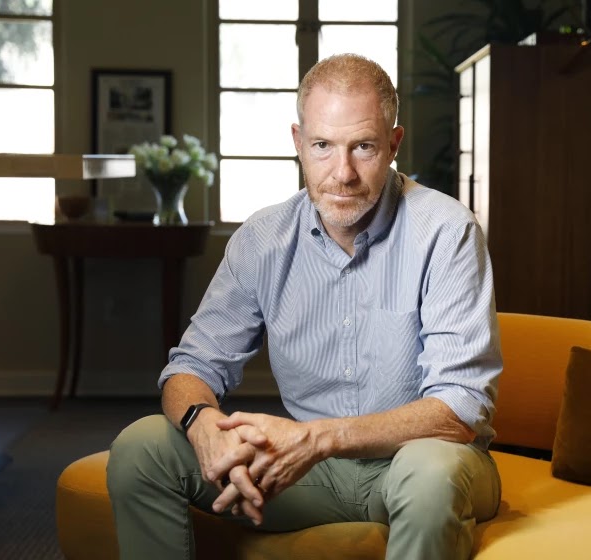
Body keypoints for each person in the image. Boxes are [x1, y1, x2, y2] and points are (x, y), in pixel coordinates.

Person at [106, 53, 502, 560]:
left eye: (364, 146)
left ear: (394, 144)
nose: (343, 173)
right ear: (298, 143)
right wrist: (203, 426)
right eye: (322, 146)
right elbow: (192, 366)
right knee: (142, 448)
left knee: (429, 475)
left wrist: (316, 439)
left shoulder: (446, 231)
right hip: (312, 475)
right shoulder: (262, 239)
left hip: (426, 462)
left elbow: (459, 409)